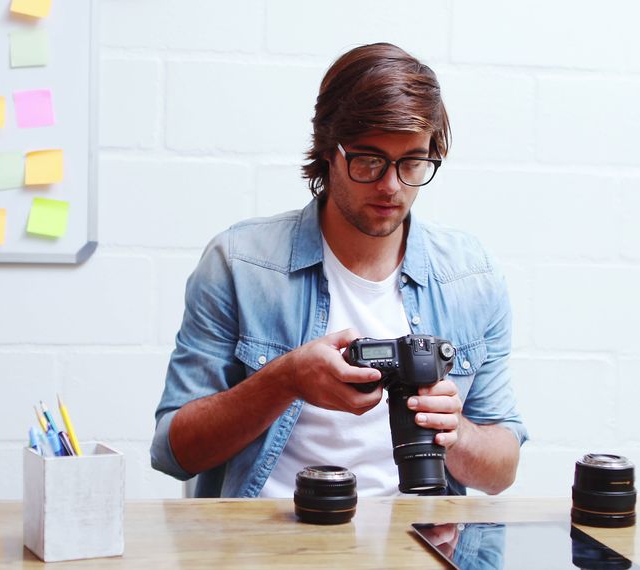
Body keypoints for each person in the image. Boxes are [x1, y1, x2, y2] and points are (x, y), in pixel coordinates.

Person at [151, 42, 527, 498]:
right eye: (369, 160)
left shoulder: (471, 277)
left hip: (412, 543)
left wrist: (455, 431)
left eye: (412, 161)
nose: (391, 186)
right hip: (262, 545)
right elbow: (173, 453)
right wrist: (285, 379)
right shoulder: (239, 264)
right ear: (329, 150)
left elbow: (502, 470)